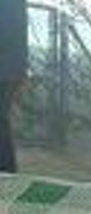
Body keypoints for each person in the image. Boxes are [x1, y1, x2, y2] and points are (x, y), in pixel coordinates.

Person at [0, 0, 26, 174]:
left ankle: (6, 172)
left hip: (5, 68)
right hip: (10, 68)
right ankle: (8, 172)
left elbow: (6, 33)